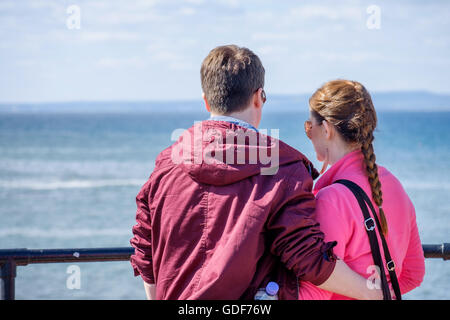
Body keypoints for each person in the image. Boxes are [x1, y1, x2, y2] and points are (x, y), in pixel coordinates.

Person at [130, 45, 382, 300]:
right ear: (258, 97)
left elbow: (145, 253)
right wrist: (372, 292)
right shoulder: (284, 167)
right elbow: (306, 256)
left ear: (206, 100)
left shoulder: (165, 165)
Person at [299, 79, 426, 299]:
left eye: (309, 127)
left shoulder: (331, 199)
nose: (309, 134)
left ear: (326, 129)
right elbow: (413, 274)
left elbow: (313, 293)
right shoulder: (393, 184)